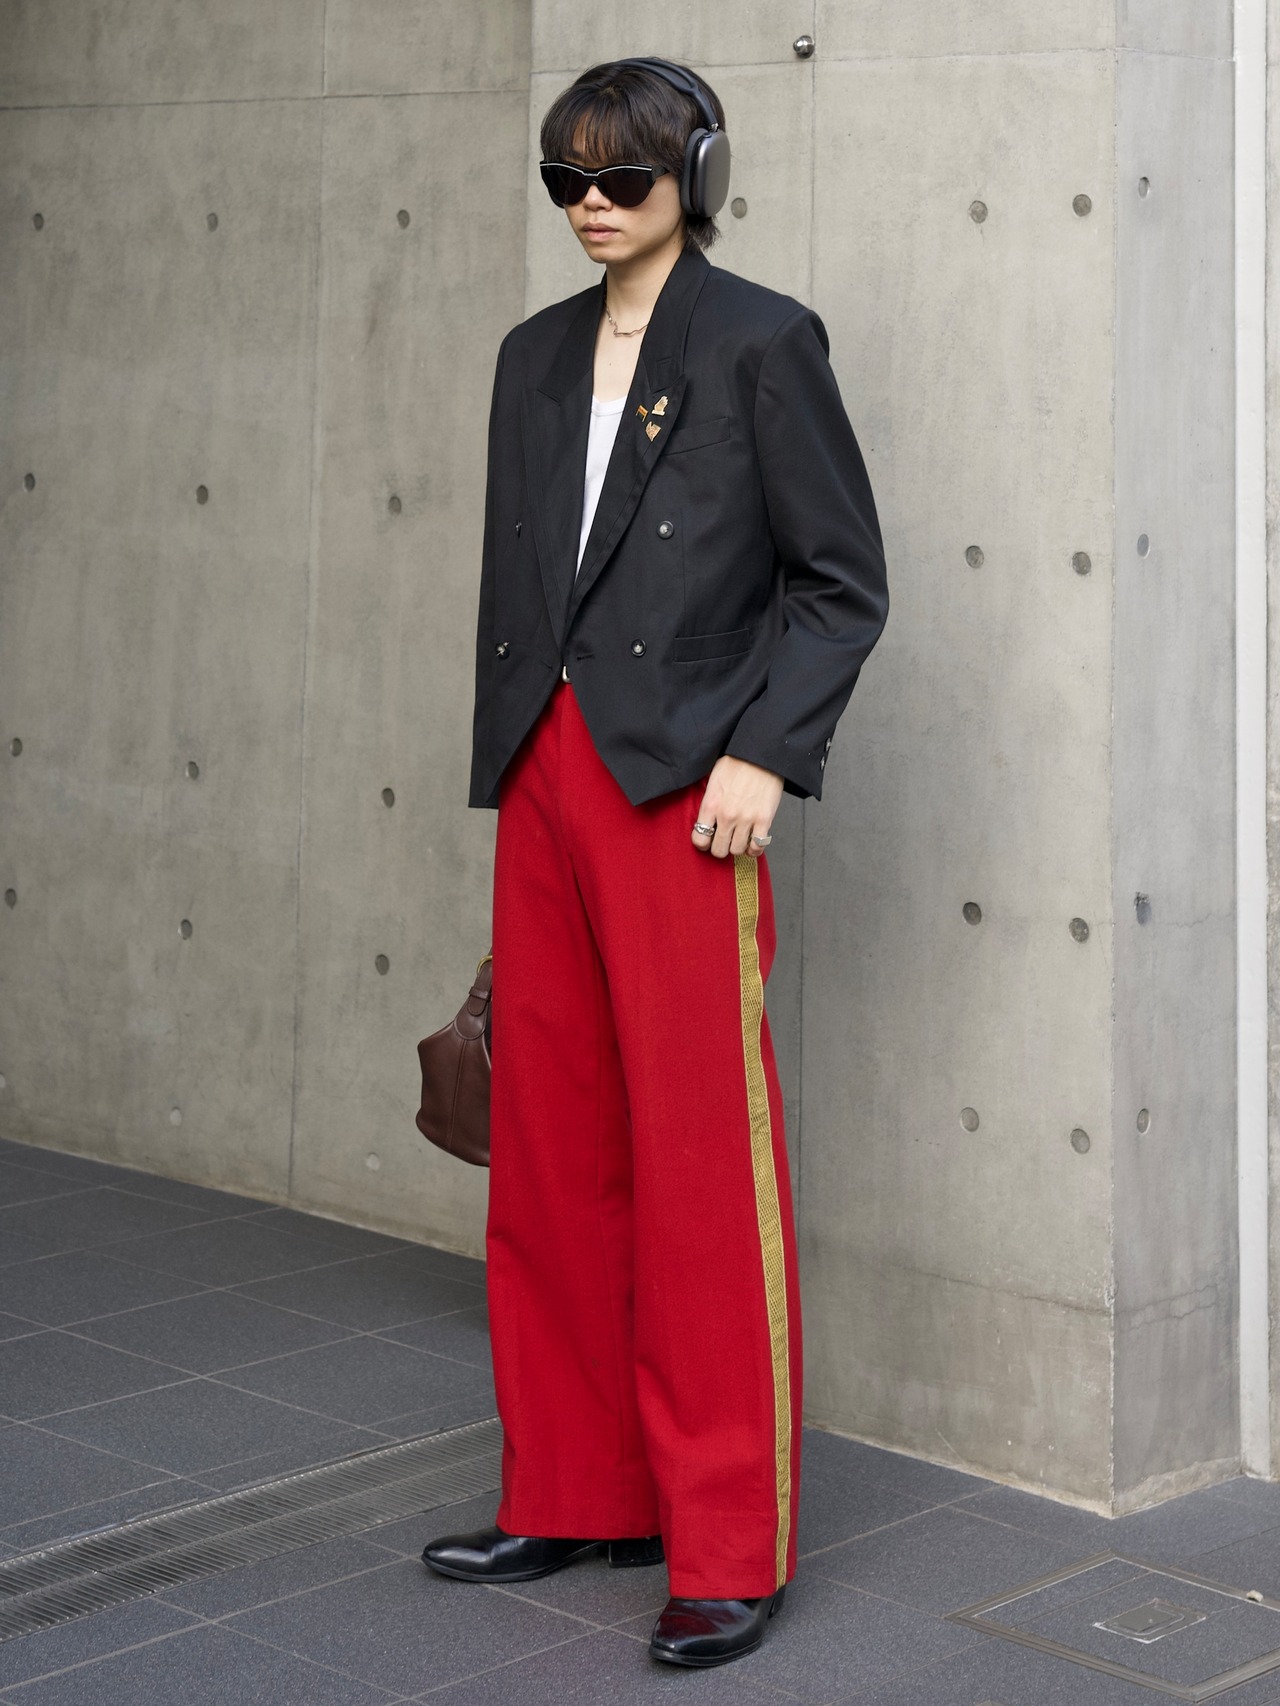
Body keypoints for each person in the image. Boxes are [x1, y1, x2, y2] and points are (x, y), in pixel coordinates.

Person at [421, 56, 888, 1669]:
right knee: (552, 1149)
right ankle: (571, 1487)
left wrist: (765, 749)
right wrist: (516, 757)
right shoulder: (531, 356)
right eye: (567, 178)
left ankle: (727, 1541)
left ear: (697, 173)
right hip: (543, 772)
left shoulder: (762, 340)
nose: (593, 204)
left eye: (623, 174)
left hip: (686, 785)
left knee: (700, 1167)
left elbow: (841, 581)